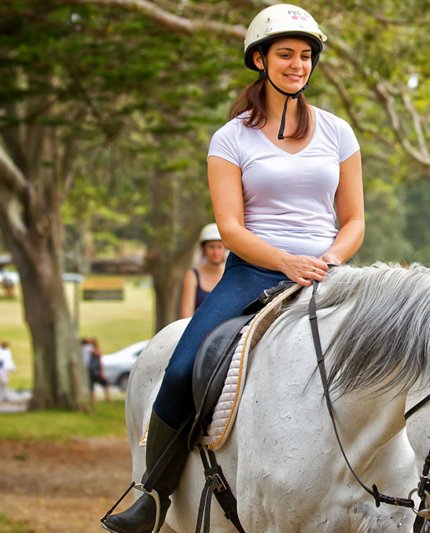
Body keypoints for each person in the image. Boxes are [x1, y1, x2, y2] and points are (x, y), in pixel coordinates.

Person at [102, 4, 364, 532]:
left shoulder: (339, 132)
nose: (298, 64)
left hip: (329, 273)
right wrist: (286, 261)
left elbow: (355, 219)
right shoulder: (232, 139)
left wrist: (329, 259)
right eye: (285, 54)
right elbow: (230, 228)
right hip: (253, 273)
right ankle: (152, 493)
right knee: (179, 369)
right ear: (260, 60)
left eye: (306, 56)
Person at [180, 223, 226, 318]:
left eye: (219, 247)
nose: (216, 252)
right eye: (211, 247)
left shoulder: (230, 273)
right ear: (203, 249)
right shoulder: (193, 275)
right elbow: (186, 314)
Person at [88, 338, 112, 403]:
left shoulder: (96, 350)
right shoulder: (88, 350)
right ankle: (93, 399)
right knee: (91, 387)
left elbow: (100, 361)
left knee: (105, 384)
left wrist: (102, 372)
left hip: (97, 371)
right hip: (91, 371)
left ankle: (108, 398)